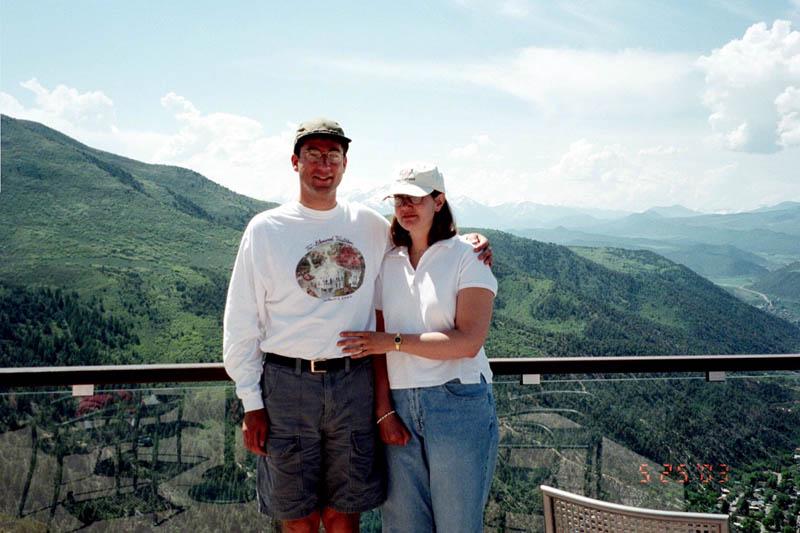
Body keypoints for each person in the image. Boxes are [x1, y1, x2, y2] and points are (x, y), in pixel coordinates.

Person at [222, 120, 491, 533]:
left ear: (345, 164)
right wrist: (251, 401)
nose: (324, 165)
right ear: (295, 162)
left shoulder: (367, 225)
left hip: (353, 383)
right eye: (313, 155)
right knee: (297, 516)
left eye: (333, 156)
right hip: (286, 383)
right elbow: (242, 319)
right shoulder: (266, 229)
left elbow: (426, 240)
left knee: (345, 511)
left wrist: (472, 240)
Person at [338, 165, 499, 533]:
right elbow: (376, 346)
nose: (405, 206)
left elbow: (468, 342)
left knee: (457, 525)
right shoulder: (386, 262)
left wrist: (393, 341)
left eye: (416, 198)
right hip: (399, 406)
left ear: (439, 201)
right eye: (399, 199)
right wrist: (383, 412)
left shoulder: (467, 257)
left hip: (458, 402)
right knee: (402, 526)